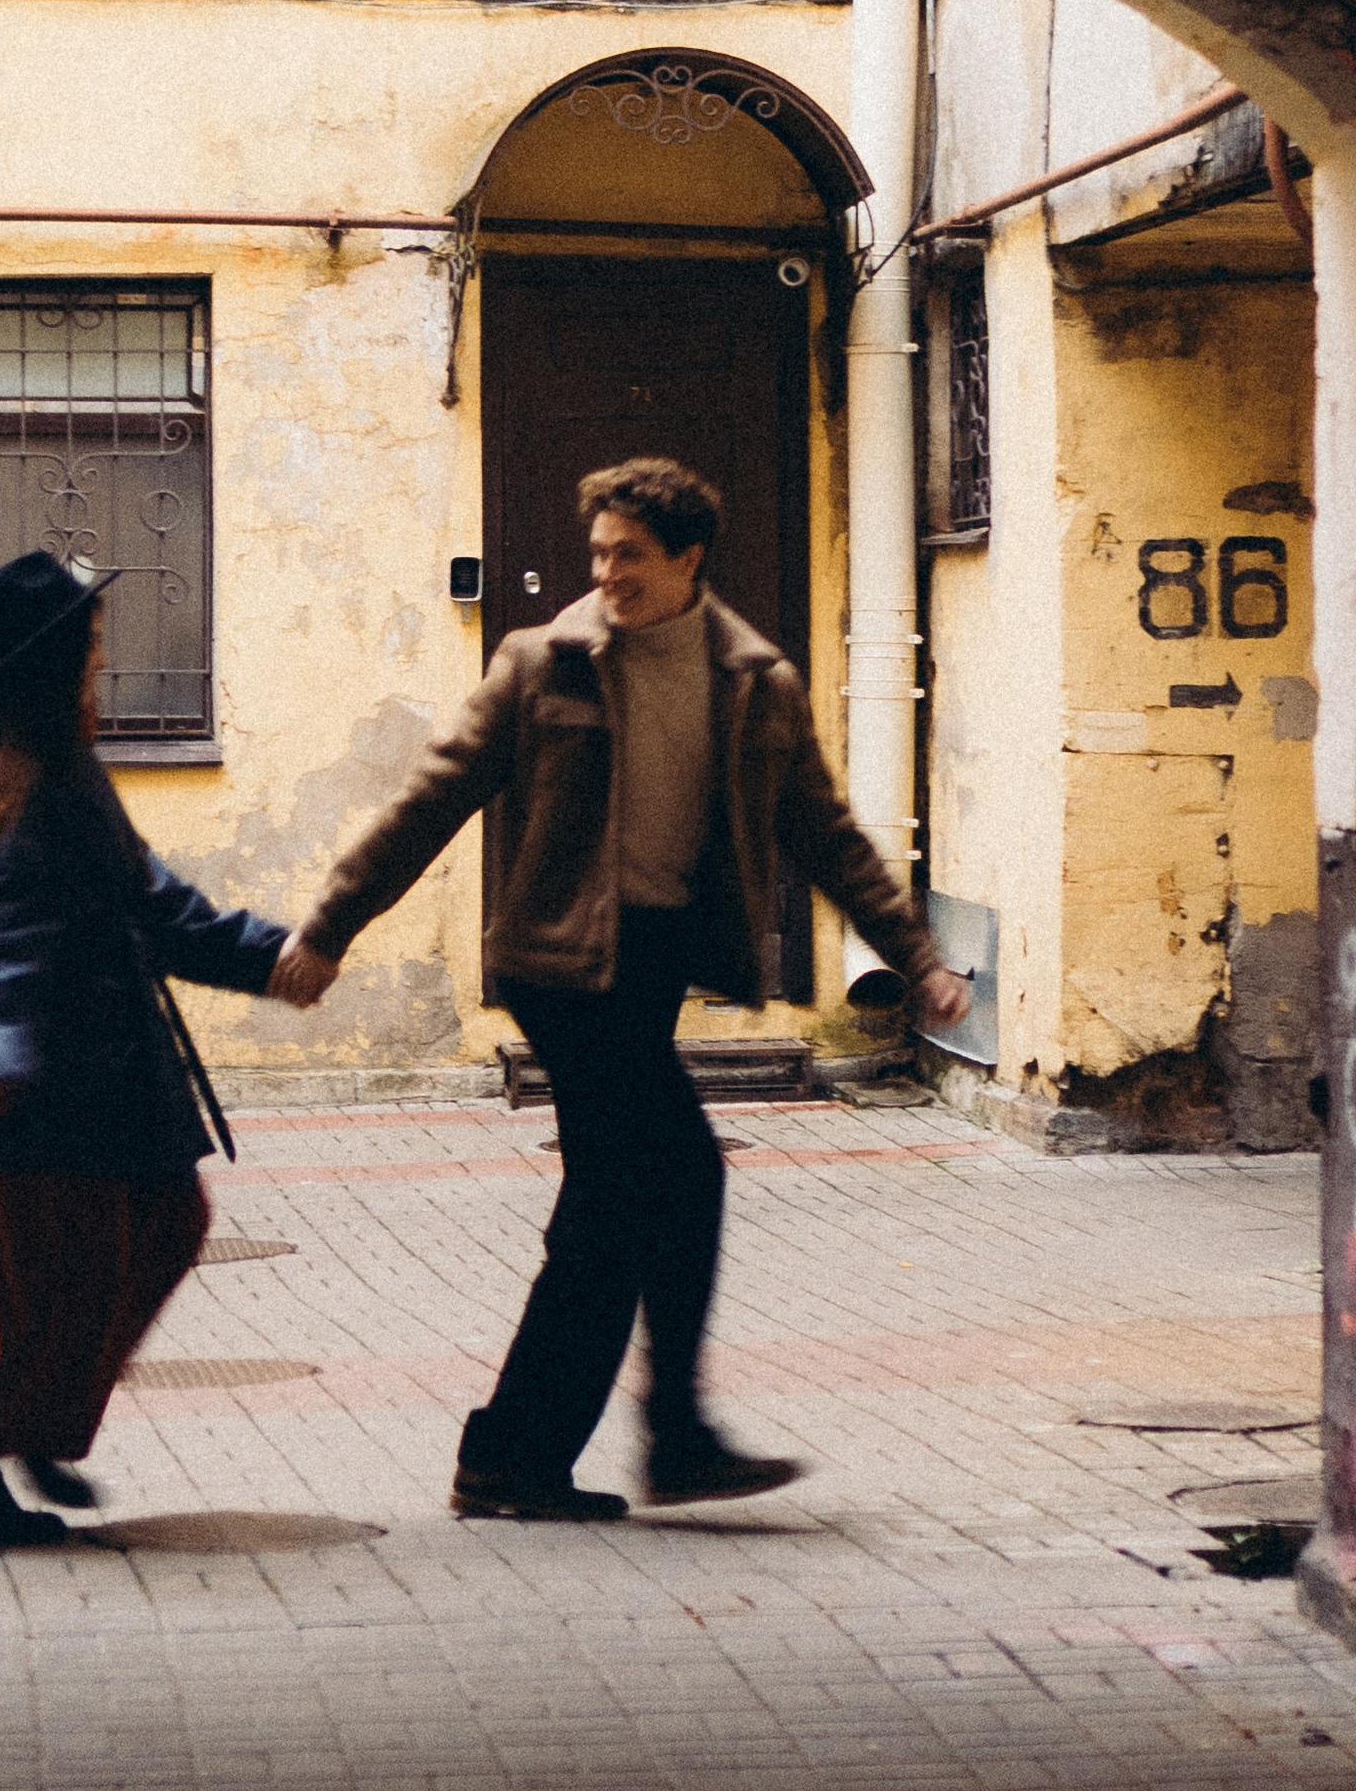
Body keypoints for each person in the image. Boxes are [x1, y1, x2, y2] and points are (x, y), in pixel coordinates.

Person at [273, 456, 970, 1519]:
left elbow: (825, 835)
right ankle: (640, 1440)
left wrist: (914, 957)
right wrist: (329, 929)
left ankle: (534, 1452)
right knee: (669, 1180)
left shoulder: (753, 681)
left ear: (689, 559)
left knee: (616, 1207)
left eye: (629, 556)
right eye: (597, 553)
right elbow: (429, 799)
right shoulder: (541, 663)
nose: (606, 574)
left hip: (646, 967)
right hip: (557, 963)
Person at [0, 548, 297, 1548]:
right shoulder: (30, 786)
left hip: (93, 1092)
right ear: (60, 662)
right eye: (91, 640)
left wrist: (271, 958)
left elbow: (153, 906)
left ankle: (26, 1426)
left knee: (149, 1233)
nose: (103, 654)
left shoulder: (59, 773)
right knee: (55, 1288)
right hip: (40, 1101)